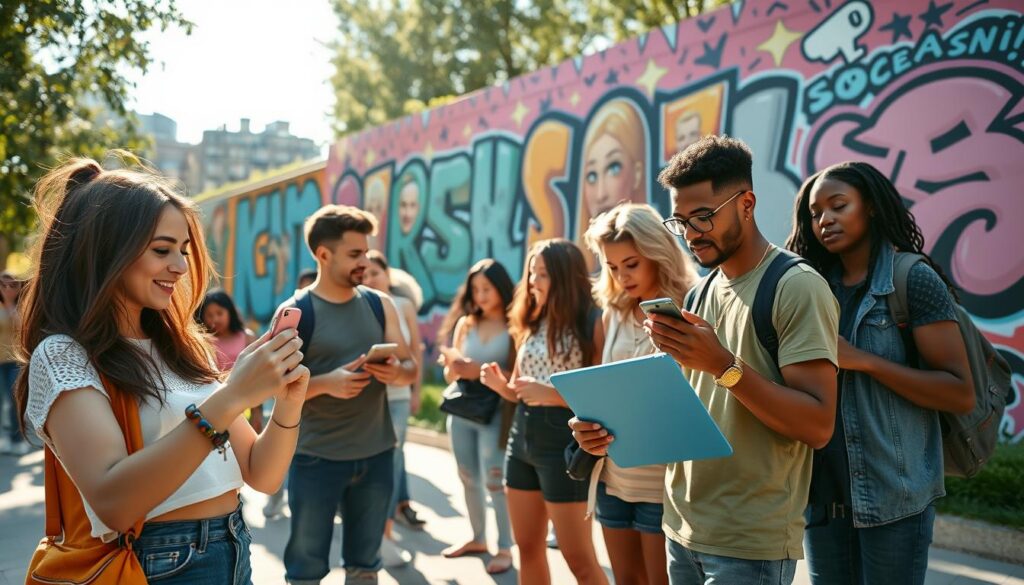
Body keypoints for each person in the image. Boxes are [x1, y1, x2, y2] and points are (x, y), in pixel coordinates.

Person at [16, 157, 309, 584]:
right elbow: (114, 502)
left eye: (184, 251)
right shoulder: (63, 355)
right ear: (107, 250)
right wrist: (230, 398)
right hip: (154, 562)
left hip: (234, 547)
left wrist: (288, 402)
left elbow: (263, 474)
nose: (180, 266)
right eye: (162, 249)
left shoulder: (183, 347)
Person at [572, 135, 840, 585]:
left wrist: (724, 366)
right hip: (682, 528)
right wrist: (601, 429)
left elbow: (817, 425)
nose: (692, 232)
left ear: (747, 204)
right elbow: (684, 413)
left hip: (749, 540)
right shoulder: (699, 292)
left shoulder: (796, 286)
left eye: (703, 217)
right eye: (681, 221)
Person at [786, 161, 975, 584]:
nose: (824, 220)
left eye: (838, 206)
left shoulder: (914, 280)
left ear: (869, 207)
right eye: (815, 214)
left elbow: (960, 393)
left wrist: (863, 360)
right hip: (824, 501)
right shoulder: (814, 287)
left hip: (895, 499)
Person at [281, 204, 417, 585]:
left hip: (376, 456)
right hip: (314, 460)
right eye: (355, 254)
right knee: (305, 569)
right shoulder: (295, 312)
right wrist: (326, 382)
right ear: (324, 255)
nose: (366, 261)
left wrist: (395, 372)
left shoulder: (380, 303)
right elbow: (272, 388)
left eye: (366, 251)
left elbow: (411, 369)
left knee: (365, 566)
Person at [480, 239, 608, 585]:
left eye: (542, 275)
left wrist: (550, 394)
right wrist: (499, 385)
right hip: (521, 438)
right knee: (528, 547)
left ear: (566, 278)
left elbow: (600, 397)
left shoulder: (592, 322)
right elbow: (522, 391)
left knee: (579, 559)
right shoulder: (531, 321)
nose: (532, 282)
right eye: (531, 273)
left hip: (564, 442)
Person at [583, 203, 698, 585]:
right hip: (613, 477)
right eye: (612, 266)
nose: (621, 276)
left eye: (631, 264)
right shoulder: (612, 312)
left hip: (664, 483)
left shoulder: (693, 306)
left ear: (657, 252)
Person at [437, 259, 518, 574]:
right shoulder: (466, 323)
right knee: (467, 476)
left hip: (496, 414)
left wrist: (479, 371)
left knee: (495, 480)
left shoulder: (515, 325)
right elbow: (449, 377)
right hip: (461, 411)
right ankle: (477, 538)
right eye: (475, 289)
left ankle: (505, 548)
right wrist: (454, 367)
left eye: (487, 288)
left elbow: (519, 374)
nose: (481, 295)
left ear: (501, 288)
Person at [362, 250, 424, 567]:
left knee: (393, 461)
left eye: (376, 272)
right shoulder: (359, 303)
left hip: (398, 397)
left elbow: (414, 352)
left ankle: (385, 532)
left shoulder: (403, 306)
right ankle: (379, 530)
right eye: (366, 273)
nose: (370, 278)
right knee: (376, 464)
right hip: (368, 399)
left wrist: (416, 390)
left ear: (388, 274)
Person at [263, 269, 319, 520]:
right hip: (287, 394)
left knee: (298, 456)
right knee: (280, 452)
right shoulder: (289, 314)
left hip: (311, 403)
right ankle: (275, 499)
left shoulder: (322, 317)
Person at [198, 289, 261, 431]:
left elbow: (257, 375)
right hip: (215, 408)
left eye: (219, 313)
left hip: (245, 407)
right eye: (209, 315)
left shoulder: (248, 337)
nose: (215, 319)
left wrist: (257, 413)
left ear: (230, 312)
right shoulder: (204, 343)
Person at [1, 271, 30, 455]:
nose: (7, 289)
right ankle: (5, 437)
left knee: (14, 399)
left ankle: (18, 439)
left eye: (12, 285)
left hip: (14, 360)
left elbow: (22, 328)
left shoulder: (21, 306)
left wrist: (10, 302)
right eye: (3, 285)